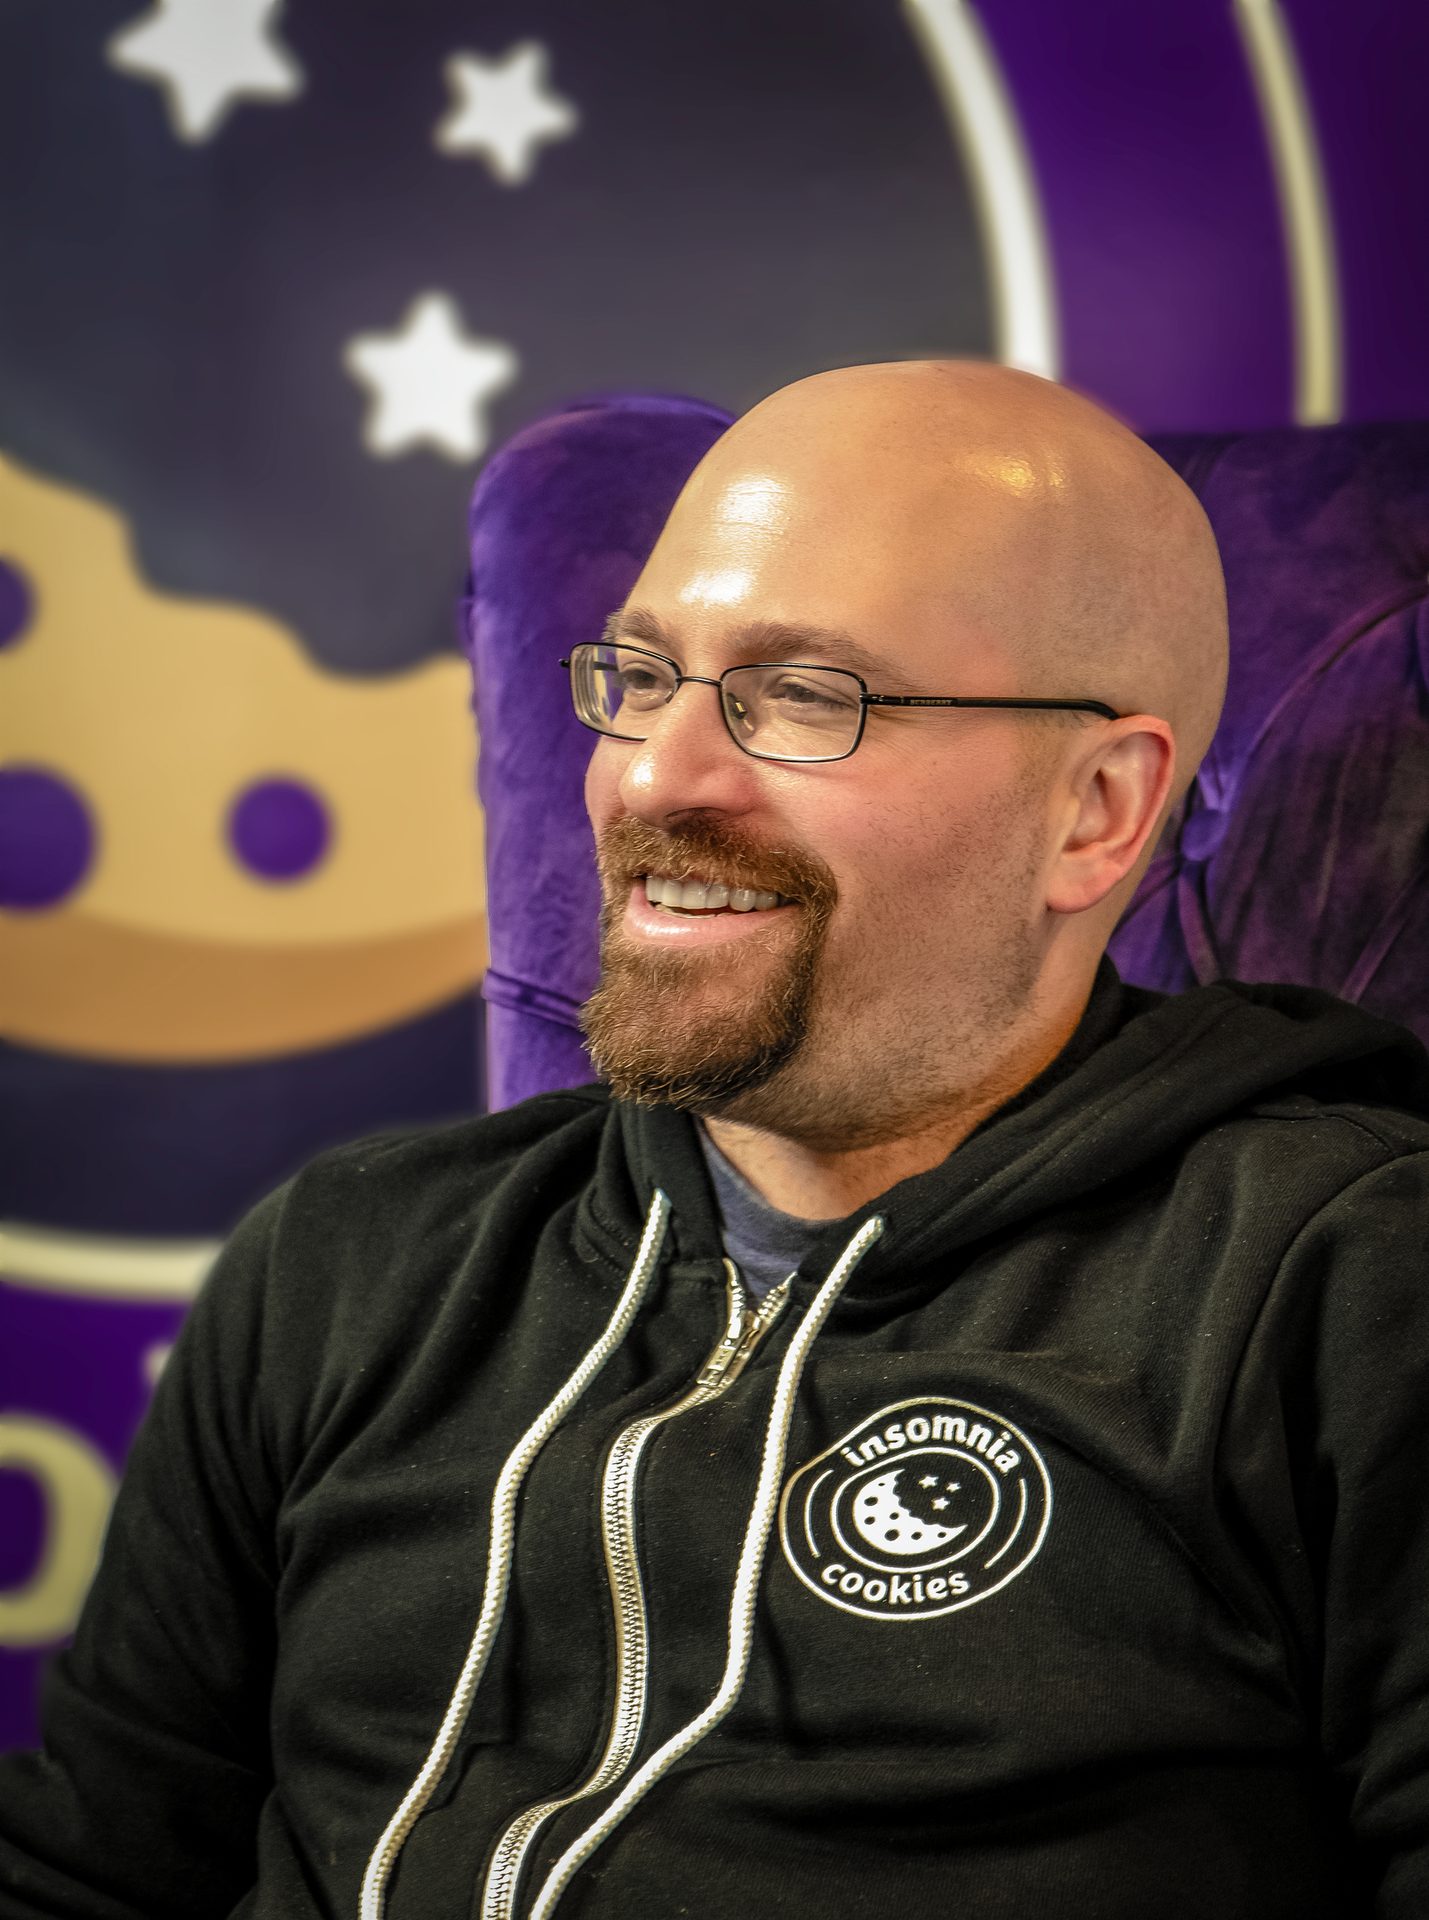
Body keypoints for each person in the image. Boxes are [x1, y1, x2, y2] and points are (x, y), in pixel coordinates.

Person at [3, 360, 1428, 1920]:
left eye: (805, 696)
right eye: (638, 673)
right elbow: (92, 1877)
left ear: (1093, 810)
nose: (653, 777)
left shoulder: (1347, 1288)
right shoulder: (353, 1260)